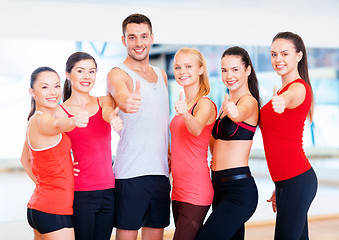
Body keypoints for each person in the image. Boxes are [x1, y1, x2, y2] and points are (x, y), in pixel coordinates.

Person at [106, 13, 170, 240]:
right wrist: (126, 101)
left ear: (152, 37)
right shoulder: (117, 73)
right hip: (131, 174)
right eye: (132, 38)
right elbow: (121, 93)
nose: (139, 43)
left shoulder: (161, 75)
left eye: (143, 36)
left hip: (161, 173)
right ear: (124, 40)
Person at [55, 52, 123, 240]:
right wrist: (65, 168)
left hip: (109, 190)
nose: (87, 76)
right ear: (68, 74)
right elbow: (49, 151)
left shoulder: (104, 101)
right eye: (80, 71)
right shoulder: (60, 112)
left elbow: (108, 112)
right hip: (80, 193)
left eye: (91, 71)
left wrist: (113, 118)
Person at [196, 46, 260, 240]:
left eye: (235, 70)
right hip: (219, 186)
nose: (228, 75)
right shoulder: (226, 105)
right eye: (224, 70)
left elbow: (241, 113)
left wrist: (234, 113)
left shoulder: (248, 102)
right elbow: (216, 141)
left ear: (247, 70)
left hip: (239, 190)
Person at [259, 31, 318, 240]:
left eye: (284, 54)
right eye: (274, 54)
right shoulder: (284, 89)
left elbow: (290, 98)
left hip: (297, 179)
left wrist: (281, 102)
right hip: (288, 182)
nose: (278, 60)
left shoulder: (298, 89)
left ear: (298, 56)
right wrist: (280, 185)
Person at [20, 66, 89, 240]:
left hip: (40, 206)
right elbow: (56, 126)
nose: (53, 92)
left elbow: (25, 159)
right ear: (32, 92)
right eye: (45, 87)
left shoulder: (33, 120)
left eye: (57, 86)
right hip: (53, 210)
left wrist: (51, 179)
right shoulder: (42, 120)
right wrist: (74, 121)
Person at [170, 47, 217, 240]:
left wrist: (184, 114)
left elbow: (196, 128)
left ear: (200, 69)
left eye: (188, 66)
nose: (182, 71)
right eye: (178, 67)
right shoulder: (184, 104)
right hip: (178, 190)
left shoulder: (204, 103)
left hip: (196, 190)